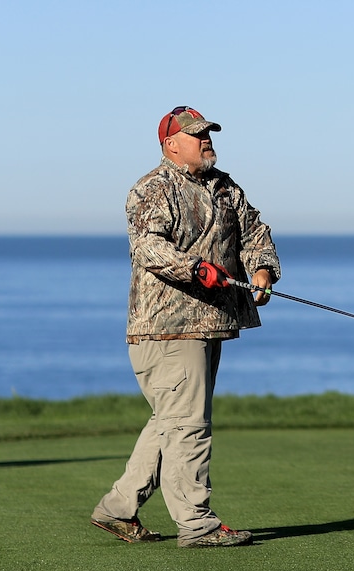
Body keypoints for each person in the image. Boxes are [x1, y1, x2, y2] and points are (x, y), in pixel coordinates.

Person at [91, 105, 280, 548]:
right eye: (197, 135)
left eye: (208, 133)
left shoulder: (224, 186)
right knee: (189, 425)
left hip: (208, 324)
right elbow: (148, 249)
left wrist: (263, 271)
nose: (207, 139)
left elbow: (255, 232)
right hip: (166, 328)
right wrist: (195, 269)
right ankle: (197, 524)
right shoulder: (152, 188)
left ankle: (118, 509)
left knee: (171, 422)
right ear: (171, 145)